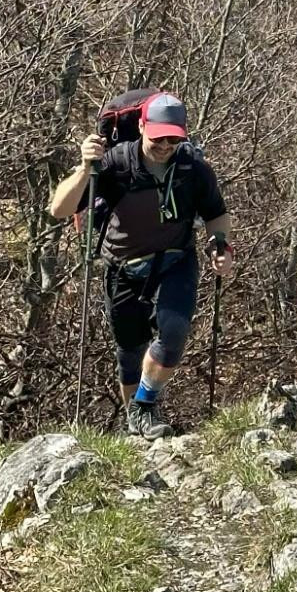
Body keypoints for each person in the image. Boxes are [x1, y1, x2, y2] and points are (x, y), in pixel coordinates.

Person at [50, 91, 234, 437]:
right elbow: (59, 209)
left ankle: (145, 406)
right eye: (158, 137)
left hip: (174, 261)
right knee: (129, 354)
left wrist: (219, 245)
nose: (165, 146)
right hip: (122, 267)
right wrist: (86, 169)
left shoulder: (192, 168)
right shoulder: (115, 164)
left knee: (173, 332)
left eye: (173, 139)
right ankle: (137, 425)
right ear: (141, 127)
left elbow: (216, 214)